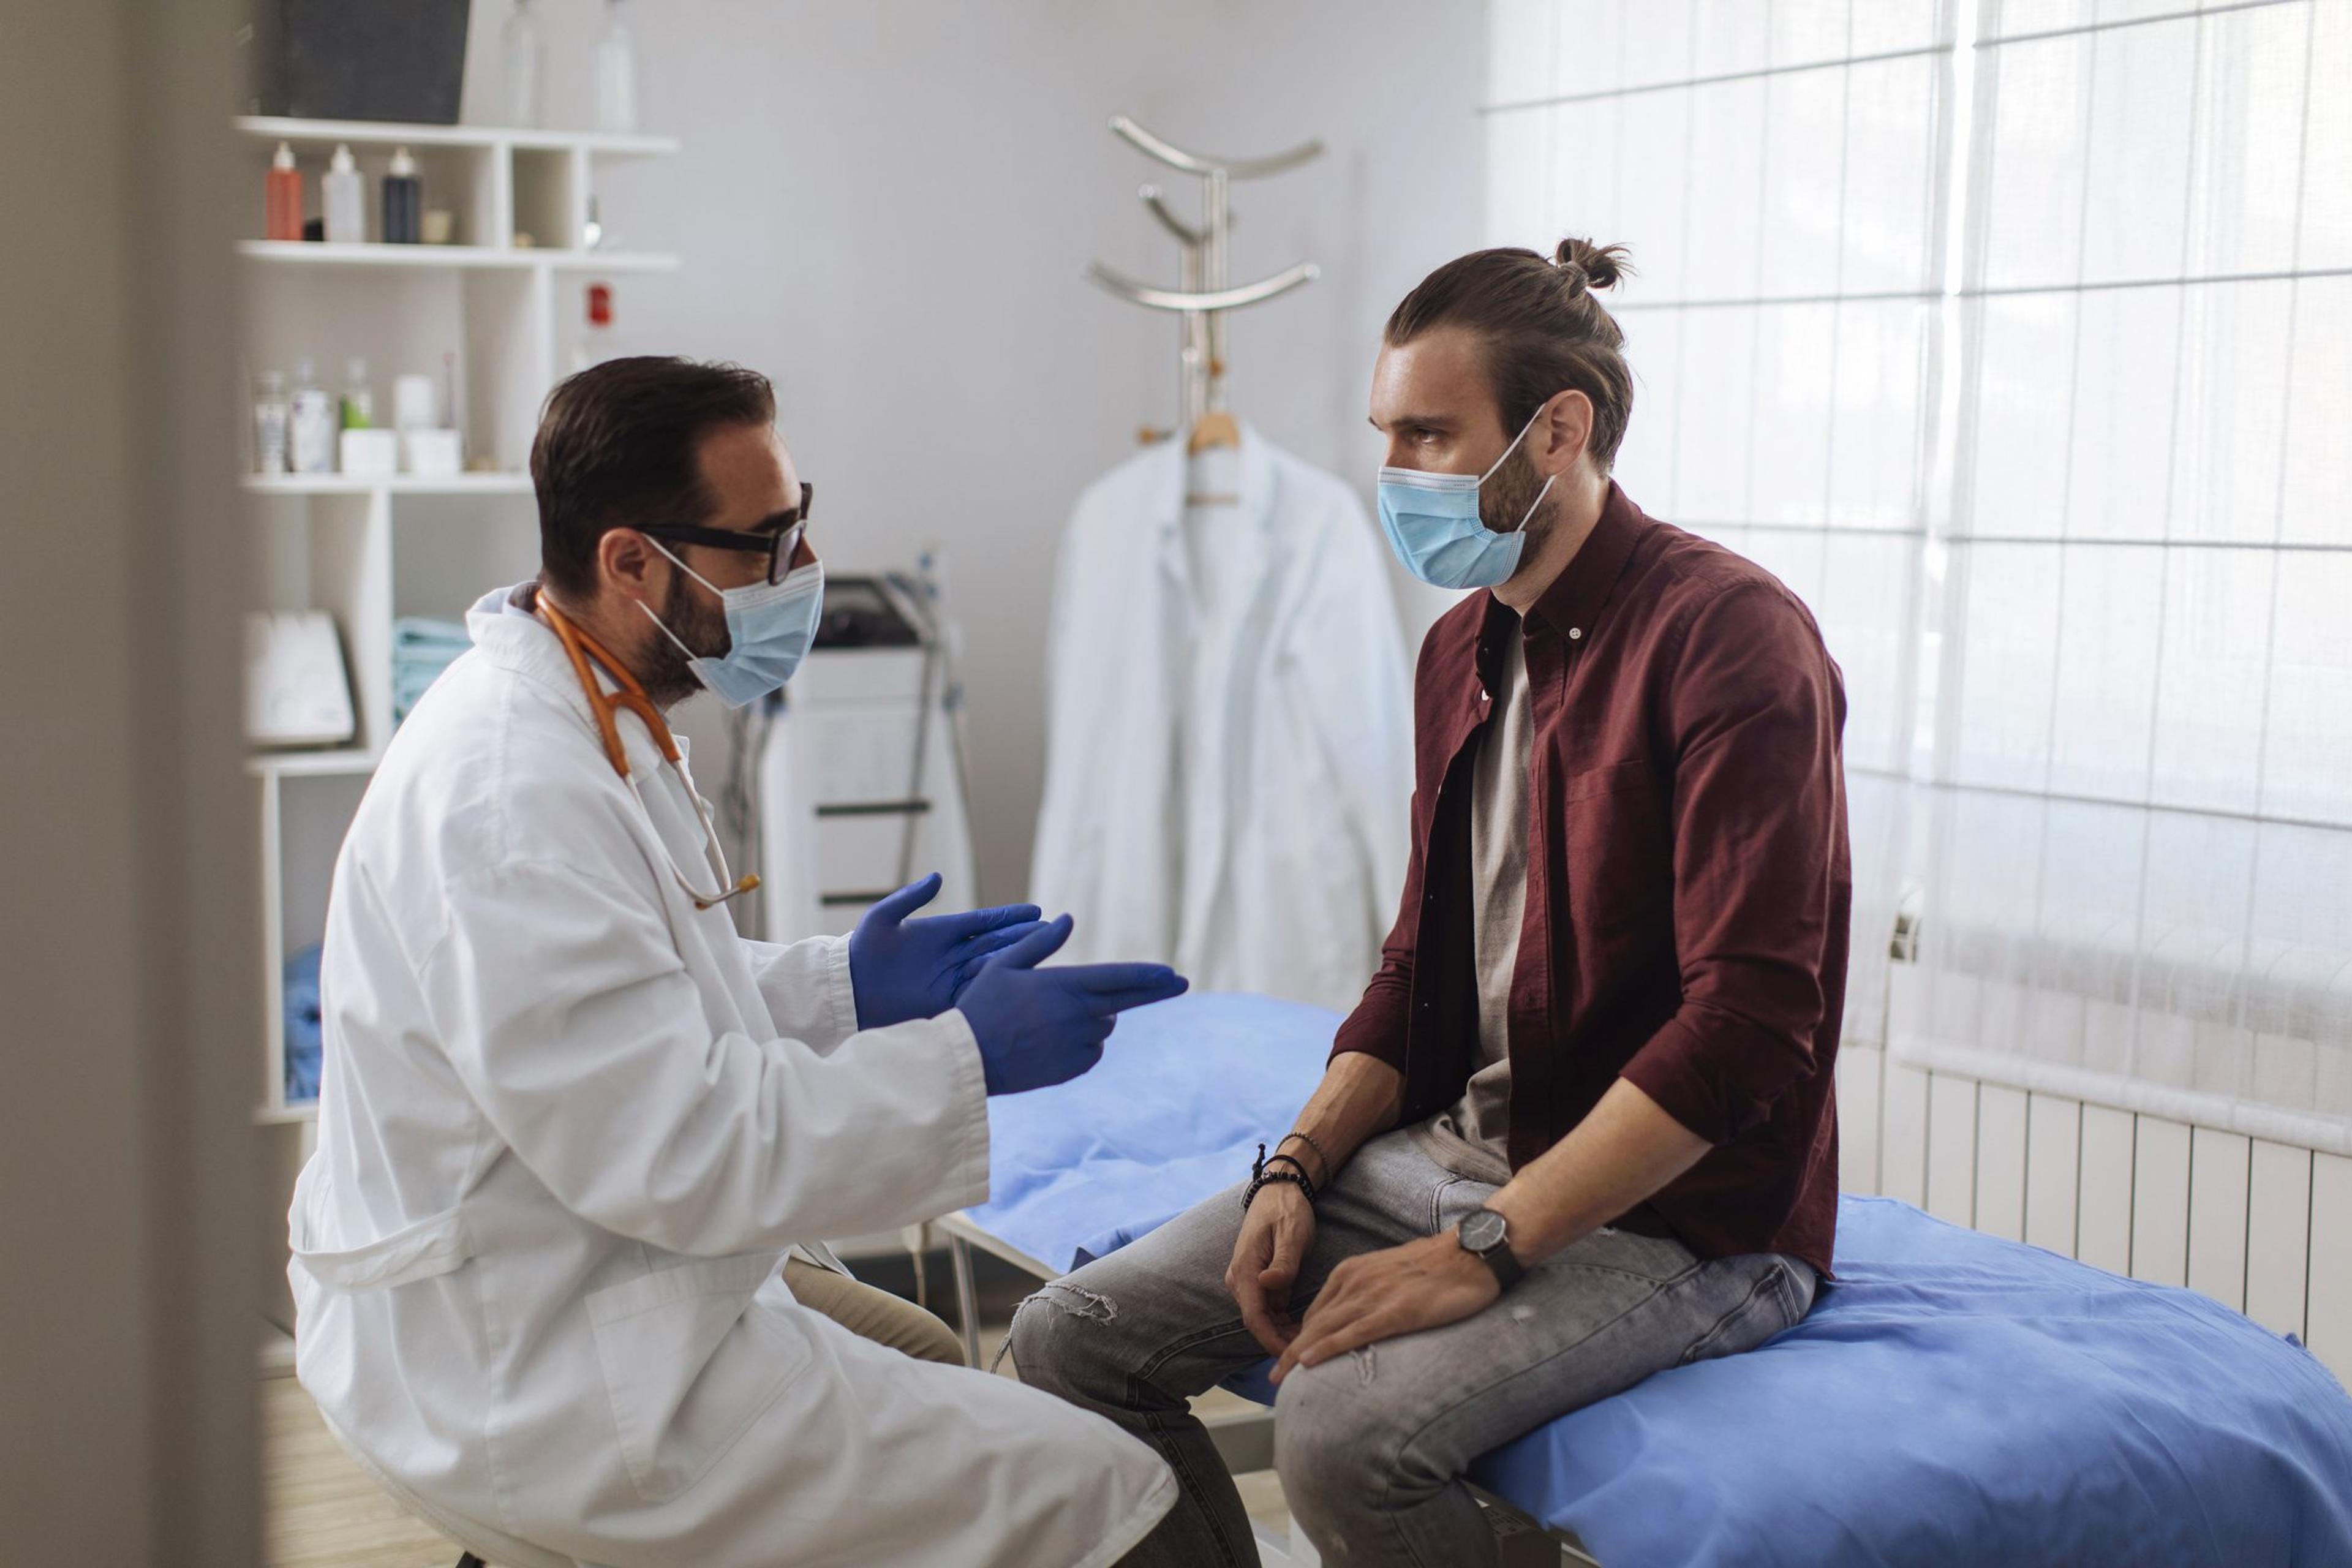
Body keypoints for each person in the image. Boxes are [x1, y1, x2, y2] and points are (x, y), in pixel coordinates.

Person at [1009, 239, 1852, 1567]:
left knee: (1344, 1437)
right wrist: (1299, 1159)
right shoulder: (1459, 645)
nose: (1393, 471)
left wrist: (1488, 1247)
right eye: (1384, 432)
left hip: (1684, 1217)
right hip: (1463, 1157)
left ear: (1557, 431)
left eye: (1428, 433)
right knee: (1068, 1339)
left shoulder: (1729, 637)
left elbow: (1748, 1024)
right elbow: (1418, 965)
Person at [288, 356, 1187, 1568]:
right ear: (630, 561)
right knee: (1112, 1491)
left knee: (922, 1352)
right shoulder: (513, 795)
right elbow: (687, 1147)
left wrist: (840, 986)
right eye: (763, 543)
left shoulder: (589, 707)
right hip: (536, 1365)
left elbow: (626, 1004)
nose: (800, 573)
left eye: (798, 523)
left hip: (576, 1264)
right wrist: (967, 1058)